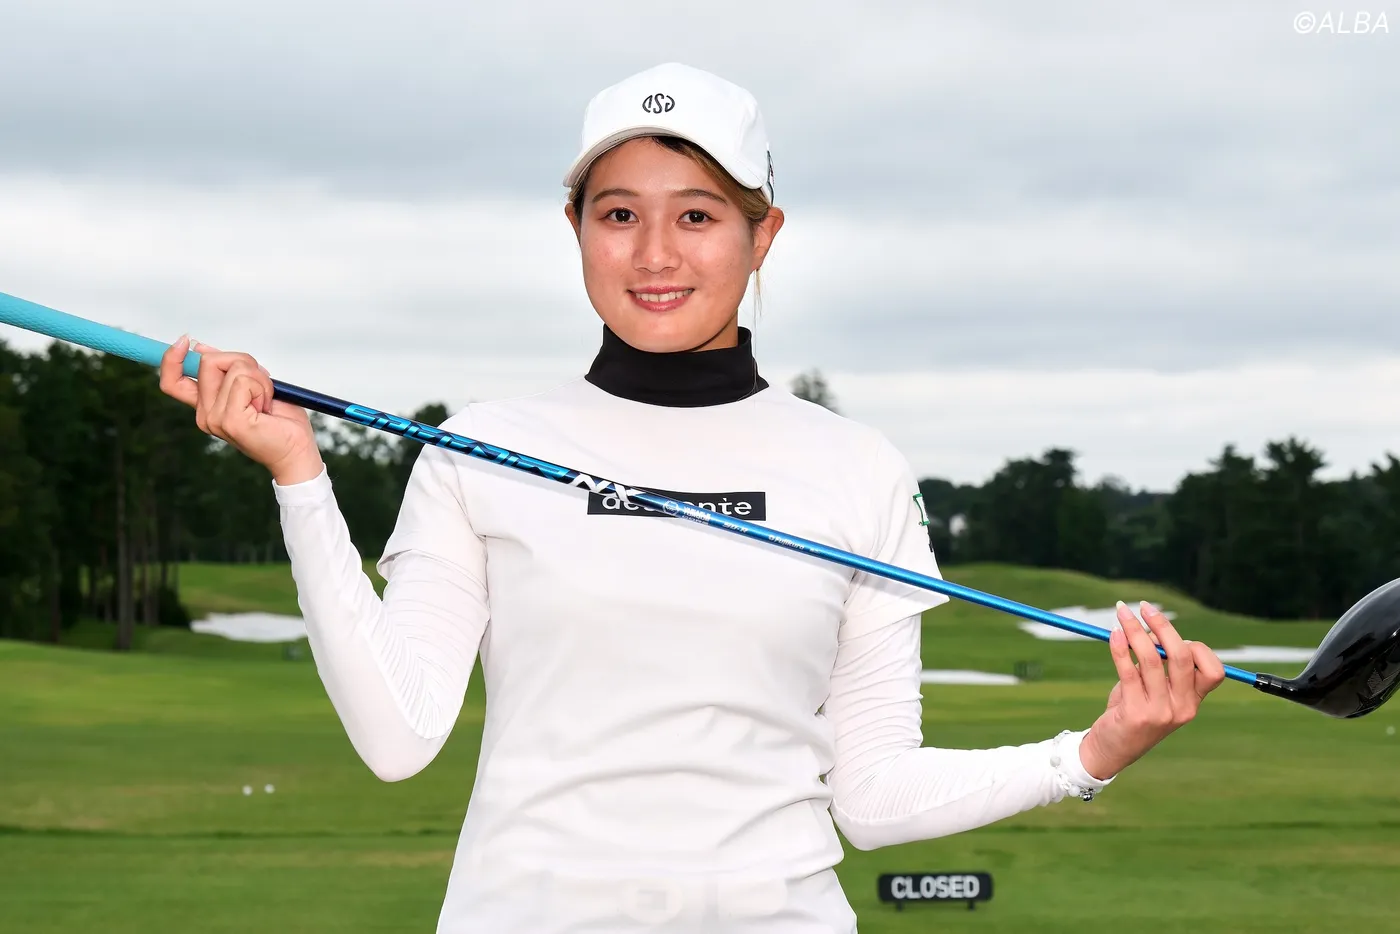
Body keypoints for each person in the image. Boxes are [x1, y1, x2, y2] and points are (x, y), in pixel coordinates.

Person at [157, 62, 1226, 934]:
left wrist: (1089, 754)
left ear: (764, 234)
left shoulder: (855, 469)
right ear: (575, 226)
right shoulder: (484, 448)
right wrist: (301, 478)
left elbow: (870, 798)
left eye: (699, 215)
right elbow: (396, 739)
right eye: (618, 213)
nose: (655, 254)